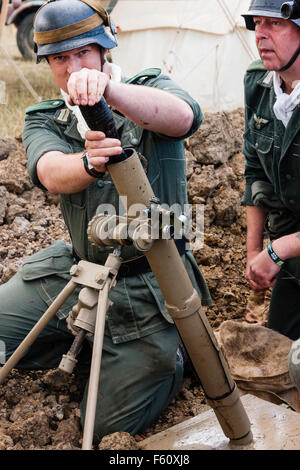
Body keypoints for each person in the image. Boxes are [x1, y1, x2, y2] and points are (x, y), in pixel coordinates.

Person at [0, 0, 211, 443]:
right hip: (78, 271)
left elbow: (183, 117)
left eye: (82, 53)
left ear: (103, 50)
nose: (73, 67)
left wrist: (109, 95)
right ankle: (76, 340)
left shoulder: (147, 86)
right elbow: (49, 171)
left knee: (101, 432)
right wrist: (90, 164)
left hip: (151, 283)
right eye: (60, 57)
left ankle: (171, 356)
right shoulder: (45, 116)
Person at [241, 0, 300, 389]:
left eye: (275, 23)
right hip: (292, 253)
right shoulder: (260, 84)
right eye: (257, 23)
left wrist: (278, 251)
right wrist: (254, 253)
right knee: (280, 363)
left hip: (290, 248)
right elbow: (256, 170)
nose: (261, 33)